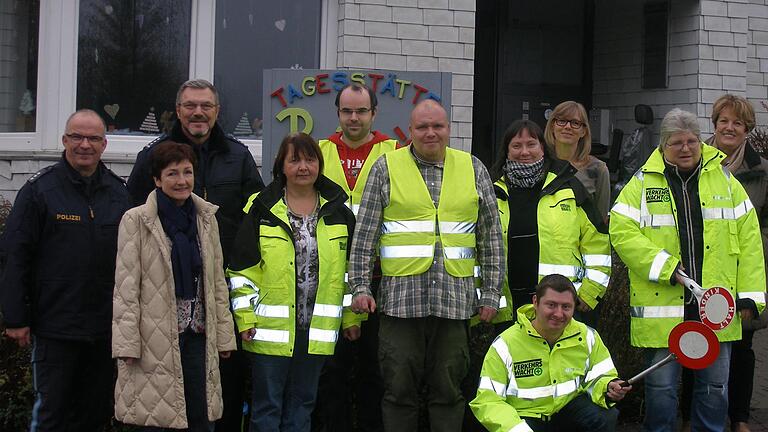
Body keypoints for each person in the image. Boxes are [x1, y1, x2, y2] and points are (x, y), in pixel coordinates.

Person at [349, 99, 504, 431]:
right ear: (410, 131)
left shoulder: (474, 168)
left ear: (449, 129)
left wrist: (491, 295)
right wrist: (360, 287)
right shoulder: (385, 168)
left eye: (438, 126)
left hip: (455, 304)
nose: (430, 133)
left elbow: (491, 239)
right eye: (422, 127)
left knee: (449, 392)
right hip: (400, 305)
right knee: (398, 392)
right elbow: (364, 236)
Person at [610, 108, 766, 432]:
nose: (685, 148)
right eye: (676, 142)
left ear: (700, 141)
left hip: (716, 306)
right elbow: (620, 230)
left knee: (714, 387)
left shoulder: (724, 181)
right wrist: (664, 267)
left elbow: (750, 240)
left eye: (692, 141)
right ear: (663, 146)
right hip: (663, 307)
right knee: (662, 389)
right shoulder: (642, 182)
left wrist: (750, 298)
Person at [127, 79, 264, 431]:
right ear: (178, 111)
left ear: (217, 112)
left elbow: (258, 215)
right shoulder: (153, 156)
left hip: (225, 286)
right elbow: (133, 219)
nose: (198, 112)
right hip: (164, 295)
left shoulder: (239, 156)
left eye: (206, 105)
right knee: (168, 387)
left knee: (226, 382)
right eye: (190, 105)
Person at [463, 119, 611, 431]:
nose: (524, 151)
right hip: (505, 308)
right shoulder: (488, 190)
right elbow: (474, 248)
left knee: (560, 386)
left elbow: (597, 242)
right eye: (516, 145)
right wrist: (480, 298)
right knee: (507, 387)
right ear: (506, 152)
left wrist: (589, 292)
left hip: (557, 308)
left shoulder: (569, 187)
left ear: (543, 148)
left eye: (532, 144)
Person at [0, 109, 131, 431]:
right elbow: (15, 255)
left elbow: (133, 261)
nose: (84, 145)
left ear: (104, 144)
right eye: (77, 137)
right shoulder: (38, 191)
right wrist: (16, 317)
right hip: (55, 327)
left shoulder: (119, 193)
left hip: (104, 329)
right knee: (51, 414)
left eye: (93, 138)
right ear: (64, 141)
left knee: (95, 414)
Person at [227, 132, 355, 432]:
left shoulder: (339, 212)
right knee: (267, 408)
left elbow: (349, 273)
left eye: (310, 159)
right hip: (268, 331)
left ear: (319, 165)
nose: (303, 167)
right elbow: (242, 270)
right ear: (281, 166)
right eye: (294, 159)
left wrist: (352, 318)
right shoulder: (260, 209)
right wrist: (244, 318)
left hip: (316, 331)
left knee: (302, 407)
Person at [112, 141, 237, 430]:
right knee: (156, 419)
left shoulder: (206, 219)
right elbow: (126, 287)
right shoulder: (136, 220)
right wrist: (127, 343)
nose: (181, 181)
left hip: (198, 336)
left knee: (201, 418)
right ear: (157, 179)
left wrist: (224, 336)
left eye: (187, 172)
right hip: (153, 340)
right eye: (172, 174)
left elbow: (217, 281)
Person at [313, 83, 398, 432]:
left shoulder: (394, 152)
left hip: (379, 278)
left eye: (361, 111)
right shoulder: (319, 152)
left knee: (374, 373)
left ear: (374, 114)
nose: (354, 117)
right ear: (337, 114)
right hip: (328, 278)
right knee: (330, 373)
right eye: (347, 111)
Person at [470, 274, 630, 432]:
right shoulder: (506, 343)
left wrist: (609, 387)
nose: (559, 314)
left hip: (567, 413)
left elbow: (599, 377)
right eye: (551, 305)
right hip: (523, 419)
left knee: (604, 416)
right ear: (535, 302)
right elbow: (488, 401)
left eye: (566, 307)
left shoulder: (588, 336)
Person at [544, 101, 611, 220]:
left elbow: (601, 220)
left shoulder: (598, 169)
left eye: (575, 123)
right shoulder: (541, 165)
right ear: (552, 126)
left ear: (583, 131)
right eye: (562, 121)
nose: (568, 127)